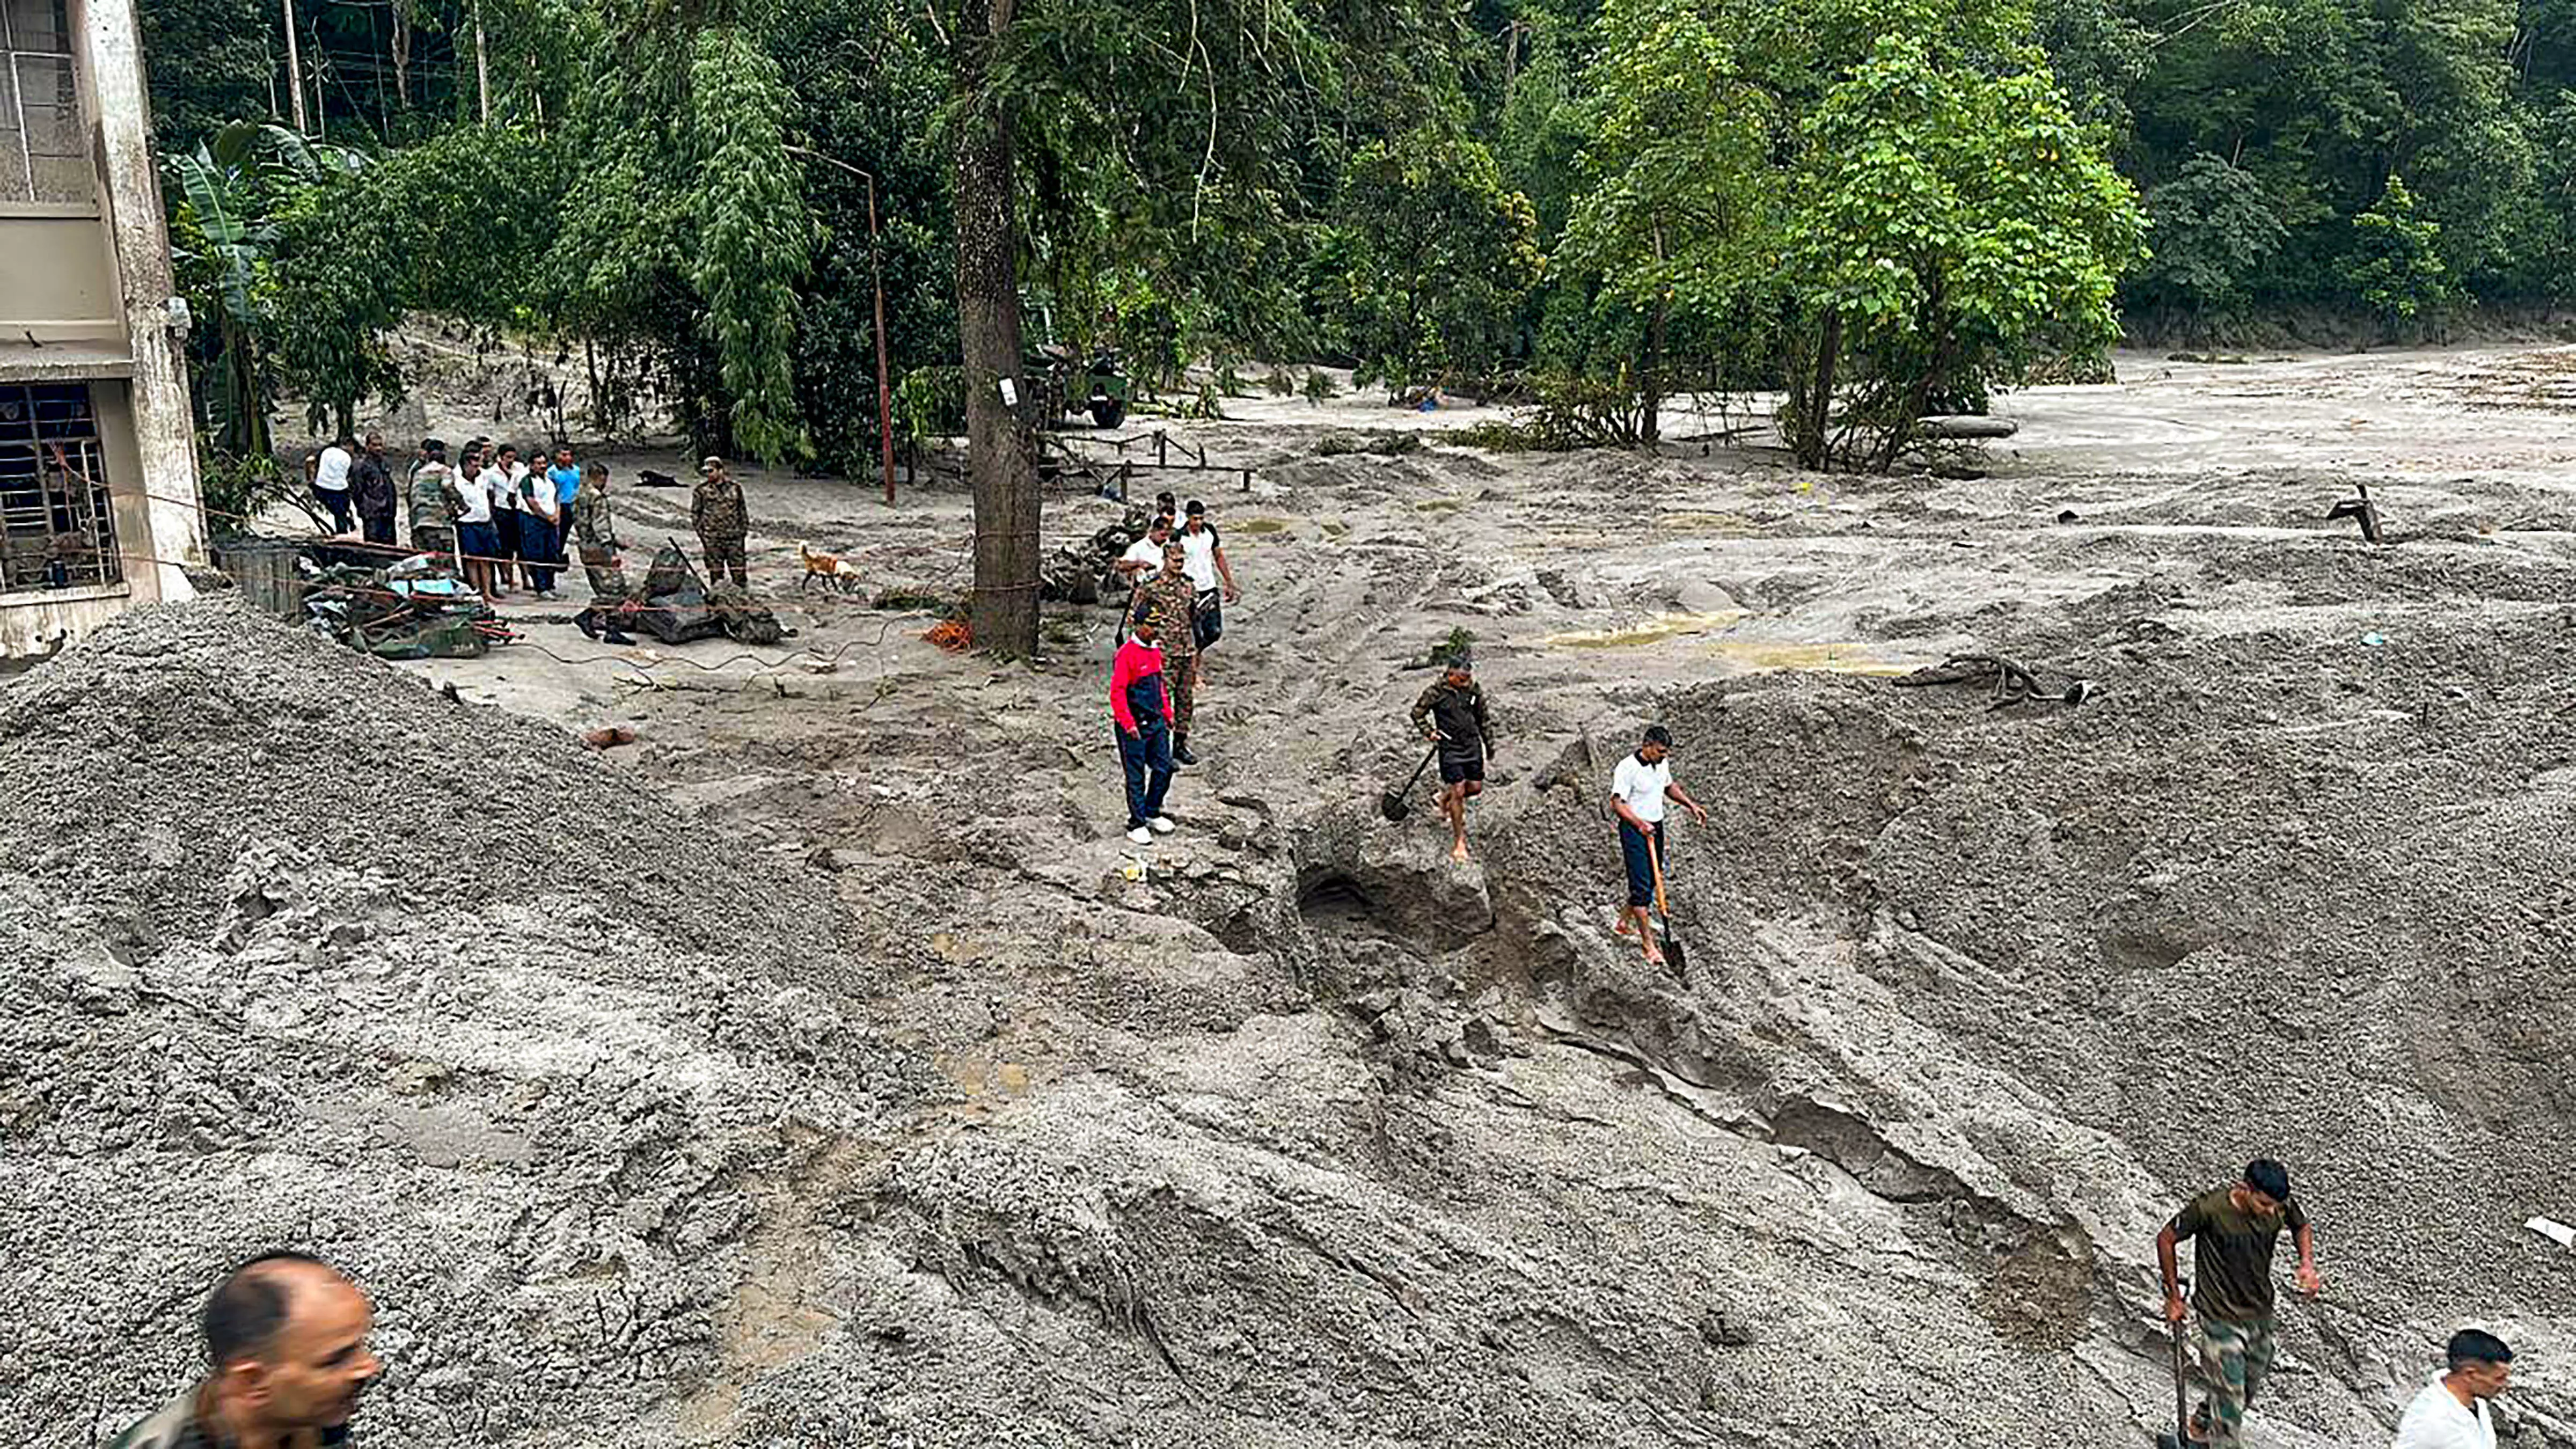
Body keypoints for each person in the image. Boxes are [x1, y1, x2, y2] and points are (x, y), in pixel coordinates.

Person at [108, 1252, 383, 1449]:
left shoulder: (311, 1409)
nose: (369, 1367)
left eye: (358, 1346)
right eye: (335, 1360)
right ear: (252, 1380)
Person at [2156, 1158, 2323, 1448]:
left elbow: (2301, 1225)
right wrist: (2173, 1297)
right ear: (2246, 1189)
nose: (2271, 1211)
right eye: (2264, 1204)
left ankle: (2198, 1428)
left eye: (2275, 1206)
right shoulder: (2210, 1209)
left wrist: (2306, 1264)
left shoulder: (2278, 1204)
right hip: (2219, 1316)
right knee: (2230, 1403)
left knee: (2245, 1385)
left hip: (2259, 1313)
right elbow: (2166, 1239)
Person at [1609, 724, 1708, 968]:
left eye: (1666, 752)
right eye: (1661, 751)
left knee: (1653, 880)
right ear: (1647, 746)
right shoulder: (1627, 768)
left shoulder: (1661, 764)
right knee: (1642, 888)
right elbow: (1617, 804)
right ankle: (1649, 945)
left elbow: (1668, 787)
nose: (1665, 756)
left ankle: (1623, 923)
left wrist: (1690, 805)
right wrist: (1639, 824)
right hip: (1634, 830)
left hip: (1656, 827)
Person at [1409, 654, 1495, 863]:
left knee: (1474, 788)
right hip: (1450, 748)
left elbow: (1483, 718)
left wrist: (1489, 745)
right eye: (1462, 678)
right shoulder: (1436, 692)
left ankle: (1443, 798)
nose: (1467, 682)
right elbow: (1417, 713)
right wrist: (1429, 733)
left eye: (1468, 678)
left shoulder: (1473, 690)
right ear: (1450, 675)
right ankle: (1459, 842)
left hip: (1471, 745)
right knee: (1458, 790)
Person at [1124, 539, 1201, 764]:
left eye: (1181, 560)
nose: (1179, 564)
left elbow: (1193, 616)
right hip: (1163, 652)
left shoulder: (1188, 585)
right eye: (1175, 560)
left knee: (1185, 700)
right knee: (1161, 701)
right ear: (1165, 560)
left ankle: (1180, 744)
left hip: (1186, 650)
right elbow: (1134, 617)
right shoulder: (1152, 586)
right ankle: (1161, 750)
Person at [1110, 610, 1178, 845]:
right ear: (1137, 625)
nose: (1155, 630)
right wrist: (1128, 724)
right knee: (1136, 774)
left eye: (1158, 625)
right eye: (1150, 626)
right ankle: (1137, 823)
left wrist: (1167, 713)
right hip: (1135, 725)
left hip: (1157, 721)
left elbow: (1160, 685)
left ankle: (1152, 811)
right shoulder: (1126, 655)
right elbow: (1118, 693)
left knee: (1165, 767)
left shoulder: (1155, 651)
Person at [2394, 1329, 2514, 1449]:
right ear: (2470, 1375)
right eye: (2499, 1379)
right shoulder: (2431, 1421)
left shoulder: (2474, 1398)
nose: (2506, 1385)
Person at [1176, 500, 1241, 653]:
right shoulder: (1178, 536)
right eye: (1195, 519)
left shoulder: (1210, 531)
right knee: (1194, 632)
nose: (1198, 523)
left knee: (1214, 632)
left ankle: (1195, 655)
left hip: (1209, 588)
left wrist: (1229, 582)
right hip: (1190, 590)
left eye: (1201, 519)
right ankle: (1193, 664)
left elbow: (1219, 556)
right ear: (1188, 517)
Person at [569, 458, 628, 599]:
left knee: (597, 585)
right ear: (599, 478)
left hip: (585, 546)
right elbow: (600, 526)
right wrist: (610, 551)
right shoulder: (596, 497)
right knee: (614, 589)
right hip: (599, 549)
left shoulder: (579, 494)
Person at [692, 455, 750, 587]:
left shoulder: (735, 488)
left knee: (739, 574)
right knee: (716, 576)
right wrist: (704, 537)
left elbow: (742, 511)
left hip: (734, 538)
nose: (709, 475)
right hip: (713, 540)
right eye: (706, 472)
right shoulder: (701, 491)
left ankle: (742, 603)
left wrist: (742, 532)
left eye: (711, 471)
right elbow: (696, 515)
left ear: (721, 470)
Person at [452, 442, 500, 598]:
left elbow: (490, 495)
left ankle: (487, 591)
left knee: (486, 559)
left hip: (484, 521)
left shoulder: (484, 477)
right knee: (472, 559)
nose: (477, 468)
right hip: (467, 523)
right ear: (466, 465)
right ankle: (476, 590)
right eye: (474, 465)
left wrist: (490, 514)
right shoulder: (456, 479)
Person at [405, 439, 459, 564]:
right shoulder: (444, 470)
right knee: (446, 563)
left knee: (425, 564)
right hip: (439, 523)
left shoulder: (418, 472)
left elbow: (410, 496)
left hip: (419, 523)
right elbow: (448, 487)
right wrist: (462, 505)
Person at [517, 455, 564, 600]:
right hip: (534, 521)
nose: (542, 466)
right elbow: (532, 502)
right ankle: (541, 587)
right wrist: (547, 517)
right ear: (531, 465)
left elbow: (556, 498)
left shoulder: (551, 481)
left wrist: (557, 514)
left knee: (552, 553)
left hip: (551, 522)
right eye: (538, 464)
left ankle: (550, 585)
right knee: (537, 554)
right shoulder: (527, 481)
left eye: (544, 463)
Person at [487, 444, 524, 592]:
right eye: (508, 457)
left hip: (518, 509)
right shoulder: (492, 473)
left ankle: (525, 578)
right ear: (501, 457)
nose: (511, 460)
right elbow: (491, 494)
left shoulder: (520, 468)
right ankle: (508, 578)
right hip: (502, 510)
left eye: (513, 457)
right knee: (506, 548)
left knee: (521, 547)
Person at [349, 434, 397, 550]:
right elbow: (357, 490)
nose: (378, 449)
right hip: (372, 511)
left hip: (388, 511)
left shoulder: (384, 464)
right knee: (374, 545)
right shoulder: (361, 466)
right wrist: (364, 508)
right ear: (367, 446)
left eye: (380, 445)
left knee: (390, 544)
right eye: (374, 445)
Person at [312, 436, 355, 534]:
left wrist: (311, 479)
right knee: (340, 513)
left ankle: (345, 524)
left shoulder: (327, 452)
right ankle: (342, 533)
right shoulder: (346, 458)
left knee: (339, 511)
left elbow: (310, 461)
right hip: (338, 490)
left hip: (321, 487)